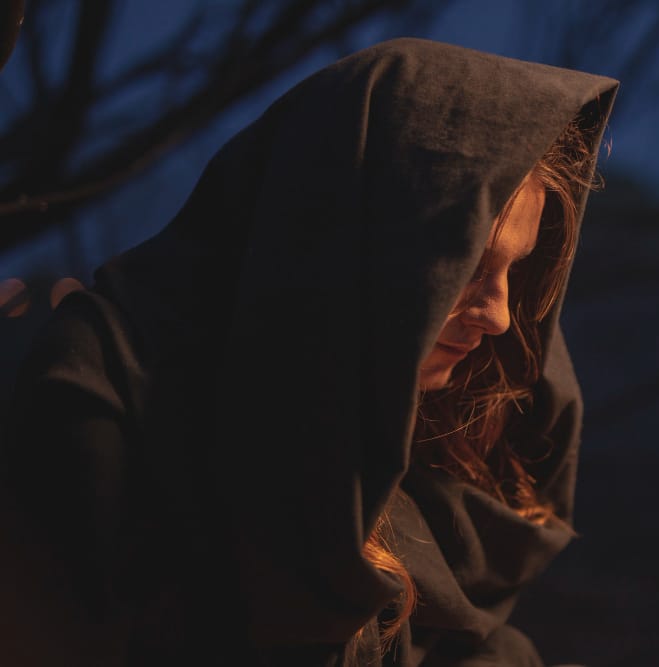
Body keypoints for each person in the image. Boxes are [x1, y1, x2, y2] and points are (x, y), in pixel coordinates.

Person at [1, 38, 617, 666]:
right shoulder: (111, 388)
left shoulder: (433, 434)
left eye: (514, 270)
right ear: (348, 237)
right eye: (465, 264)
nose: (498, 314)